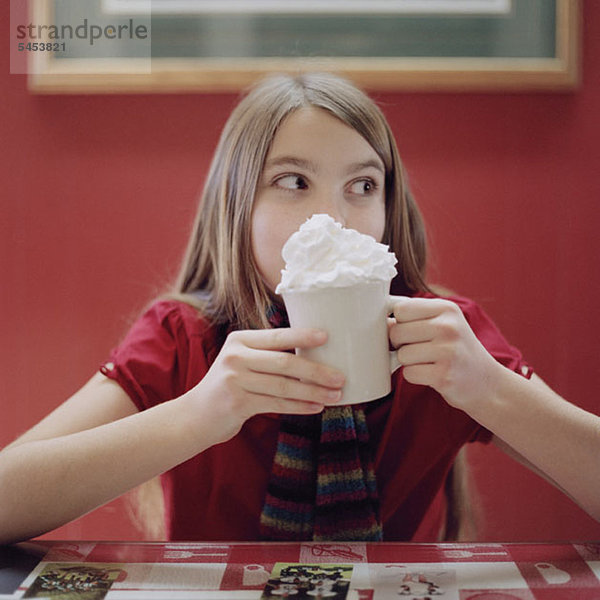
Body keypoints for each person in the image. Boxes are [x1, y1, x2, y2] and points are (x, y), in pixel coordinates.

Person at [1, 72, 599, 545]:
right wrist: (201, 414)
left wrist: (490, 389)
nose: (332, 218)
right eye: (293, 182)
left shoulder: (444, 335)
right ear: (237, 206)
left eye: (363, 186)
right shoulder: (181, 337)